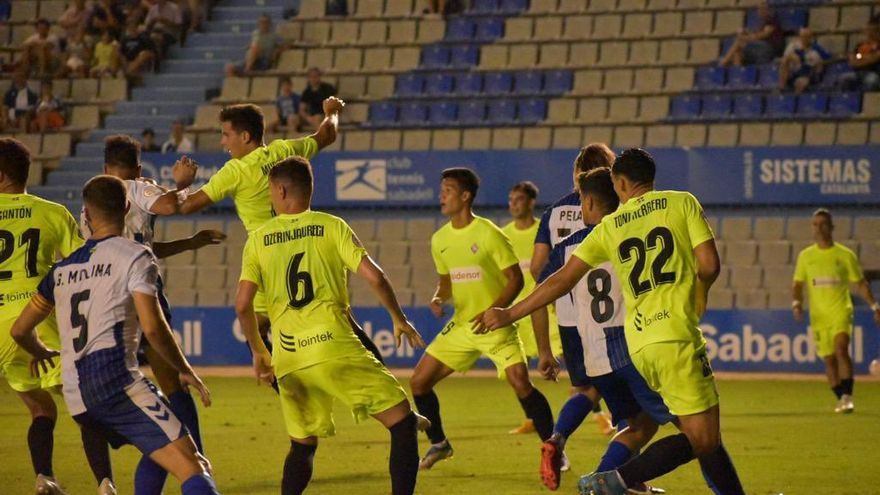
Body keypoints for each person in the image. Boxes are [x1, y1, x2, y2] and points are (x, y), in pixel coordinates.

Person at [479, 149, 745, 495]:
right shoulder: (681, 203)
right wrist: (700, 292)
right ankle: (613, 480)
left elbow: (560, 280)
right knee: (703, 439)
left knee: (684, 433)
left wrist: (509, 314)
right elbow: (708, 265)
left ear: (620, 182)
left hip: (638, 345)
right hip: (675, 337)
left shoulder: (609, 226)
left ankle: (615, 478)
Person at [11, 175, 221, 495]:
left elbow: (19, 330)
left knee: (162, 450)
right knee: (195, 465)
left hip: (77, 393)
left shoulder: (63, 270)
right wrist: (184, 370)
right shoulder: (135, 255)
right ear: (126, 207)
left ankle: (105, 482)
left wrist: (38, 351)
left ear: (86, 214)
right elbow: (153, 327)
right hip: (116, 380)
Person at [235, 156, 425, 495]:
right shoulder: (331, 225)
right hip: (331, 345)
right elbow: (377, 278)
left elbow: (242, 305)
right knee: (404, 422)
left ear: (280, 190)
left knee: (303, 445)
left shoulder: (258, 239)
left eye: (270, 191)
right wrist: (398, 317)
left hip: (289, 358)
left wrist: (259, 352)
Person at [76, 135, 224, 494]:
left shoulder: (90, 209)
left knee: (134, 394)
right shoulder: (139, 188)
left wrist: (190, 243)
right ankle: (196, 467)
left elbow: (142, 247)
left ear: (104, 168)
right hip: (143, 294)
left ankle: (115, 476)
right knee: (175, 389)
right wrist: (183, 185)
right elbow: (171, 207)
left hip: (105, 300)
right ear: (139, 168)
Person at [410, 167, 555, 470]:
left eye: (448, 189)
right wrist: (439, 297)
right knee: (419, 383)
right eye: (442, 189)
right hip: (462, 326)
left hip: (493, 324)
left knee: (521, 382)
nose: (442, 195)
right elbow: (446, 281)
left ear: (465, 196)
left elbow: (515, 279)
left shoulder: (489, 233)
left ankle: (554, 448)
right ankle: (439, 444)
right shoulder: (439, 240)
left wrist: (497, 310)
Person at [0, 138, 84, 495]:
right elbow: (83, 265)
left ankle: (44, 476)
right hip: (39, 322)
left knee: (40, 406)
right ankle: (106, 481)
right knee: (82, 404)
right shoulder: (51, 213)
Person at [531, 144, 618, 448]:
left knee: (584, 389)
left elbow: (537, 269)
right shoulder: (617, 209)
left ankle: (556, 440)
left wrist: (544, 348)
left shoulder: (553, 212)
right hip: (616, 315)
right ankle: (624, 470)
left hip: (571, 319)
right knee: (625, 390)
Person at [792, 209, 880, 414]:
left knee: (841, 349)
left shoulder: (845, 255)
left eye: (823, 224)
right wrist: (797, 302)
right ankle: (841, 396)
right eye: (816, 224)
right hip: (819, 316)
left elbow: (860, 284)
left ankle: (848, 397)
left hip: (841, 311)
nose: (819, 228)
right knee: (829, 360)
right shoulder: (806, 256)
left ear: (832, 227)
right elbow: (797, 284)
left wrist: (875, 306)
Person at [501, 180, 562, 436]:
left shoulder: (543, 230)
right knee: (517, 373)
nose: (513, 204)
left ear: (531, 202)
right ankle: (531, 419)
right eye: (511, 199)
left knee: (573, 360)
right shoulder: (503, 235)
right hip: (518, 314)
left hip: (547, 310)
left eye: (519, 199)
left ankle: (598, 413)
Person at [719, 0, 784, 66]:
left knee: (740, 40)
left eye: (763, 9)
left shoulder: (772, 20)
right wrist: (747, 32)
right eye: (759, 9)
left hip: (771, 48)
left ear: (768, 10)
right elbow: (758, 34)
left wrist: (746, 38)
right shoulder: (763, 23)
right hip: (761, 48)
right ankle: (738, 73)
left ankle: (723, 63)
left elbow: (763, 35)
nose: (761, 11)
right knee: (737, 53)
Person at [778, 28, 832, 93]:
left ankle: (796, 100)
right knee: (785, 60)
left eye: (807, 36)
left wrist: (821, 63)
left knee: (800, 82)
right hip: (794, 71)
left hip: (809, 72)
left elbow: (830, 58)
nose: (804, 38)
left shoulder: (817, 48)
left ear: (811, 37)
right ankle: (781, 89)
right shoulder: (793, 46)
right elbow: (782, 60)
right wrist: (790, 57)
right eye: (802, 36)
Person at [842, 19, 880, 91]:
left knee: (871, 80)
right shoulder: (860, 45)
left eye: (874, 30)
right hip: (859, 73)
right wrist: (863, 58)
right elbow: (853, 61)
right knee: (844, 79)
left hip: (875, 74)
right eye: (868, 30)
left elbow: (874, 58)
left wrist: (861, 58)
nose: (870, 33)